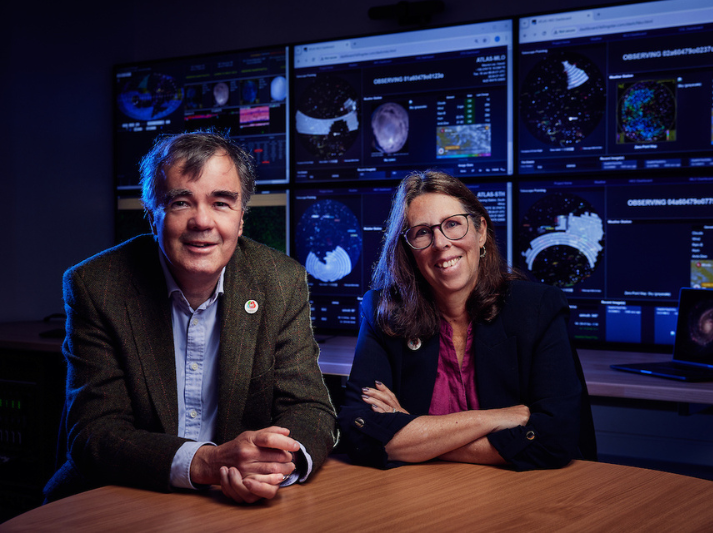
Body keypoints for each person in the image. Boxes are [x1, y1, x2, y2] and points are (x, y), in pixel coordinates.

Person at [44, 131, 336, 504]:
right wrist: (207, 462)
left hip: (233, 503)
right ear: (152, 217)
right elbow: (95, 434)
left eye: (221, 203)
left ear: (241, 219)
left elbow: (310, 409)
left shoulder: (281, 281)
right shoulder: (97, 286)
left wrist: (272, 466)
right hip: (117, 495)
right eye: (181, 202)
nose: (202, 221)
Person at [337, 170, 595, 470]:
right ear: (408, 249)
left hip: (524, 497)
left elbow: (554, 440)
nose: (441, 243)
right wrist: (497, 418)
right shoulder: (383, 311)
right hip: (419, 497)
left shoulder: (537, 308)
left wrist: (416, 433)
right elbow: (358, 435)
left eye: (453, 225)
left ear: (481, 231)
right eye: (422, 232)